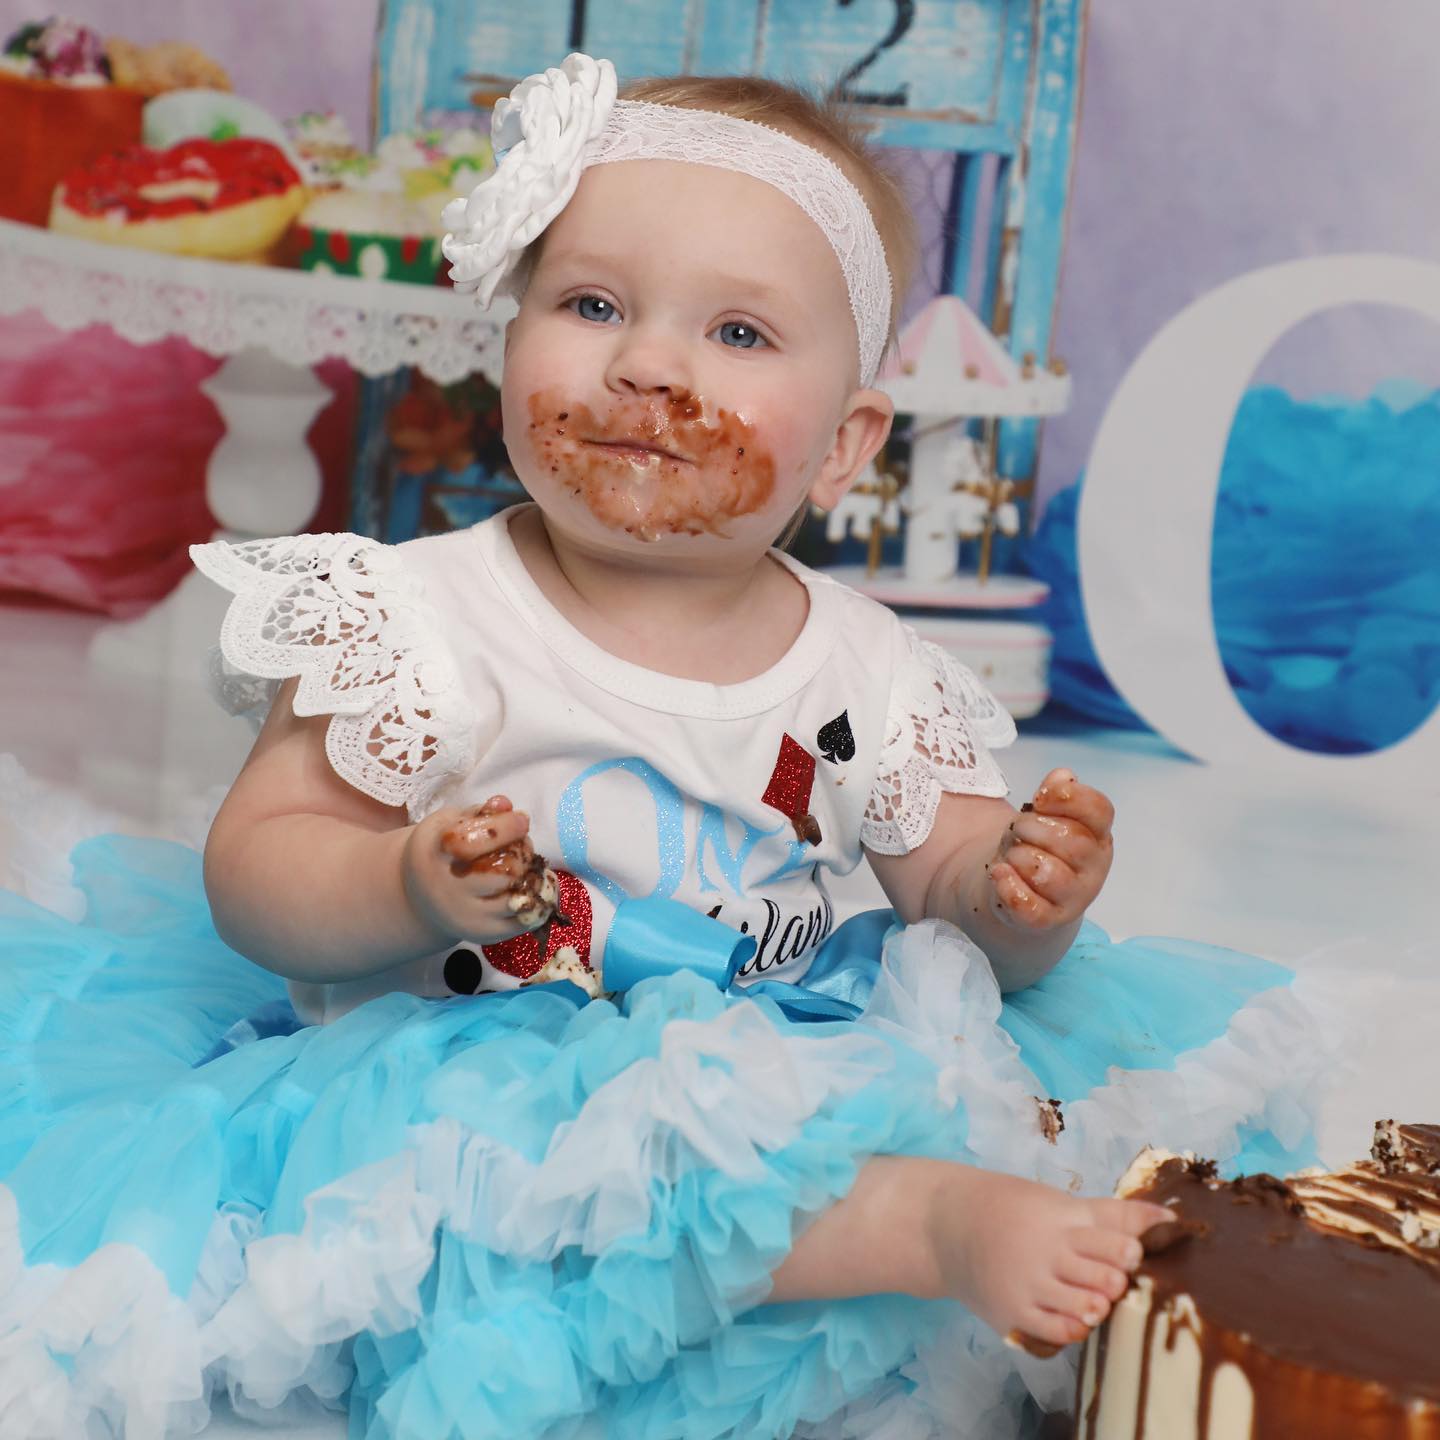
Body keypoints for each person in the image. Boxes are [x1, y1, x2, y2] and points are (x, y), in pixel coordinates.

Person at [0, 55, 1337, 1440]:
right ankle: (918, 1225)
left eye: (741, 336)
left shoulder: (870, 667)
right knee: (511, 1184)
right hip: (473, 1078)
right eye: (592, 305)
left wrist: (1018, 888)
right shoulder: (418, 621)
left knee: (941, 1096)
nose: (649, 363)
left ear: (844, 446)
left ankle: (876, 1225)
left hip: (779, 1044)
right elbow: (260, 872)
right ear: (505, 344)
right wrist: (401, 882)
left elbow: (955, 905)